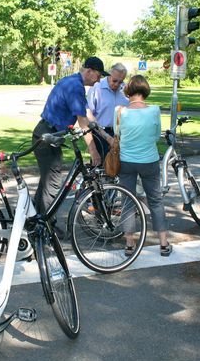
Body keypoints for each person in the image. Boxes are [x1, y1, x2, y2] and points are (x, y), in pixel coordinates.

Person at [32, 56, 106, 216]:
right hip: (48, 135)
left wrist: (106, 136)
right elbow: (83, 122)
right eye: (99, 75)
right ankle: (46, 227)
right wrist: (93, 150)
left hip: (48, 133)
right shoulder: (75, 87)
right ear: (89, 71)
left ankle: (35, 219)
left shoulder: (73, 82)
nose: (99, 80)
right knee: (52, 183)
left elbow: (87, 114)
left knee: (47, 182)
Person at [116, 75, 171, 256]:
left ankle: (130, 244)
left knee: (127, 201)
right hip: (149, 161)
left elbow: (117, 134)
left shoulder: (120, 111)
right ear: (145, 91)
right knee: (155, 200)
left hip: (126, 161)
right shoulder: (154, 110)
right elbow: (156, 136)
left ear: (129, 91)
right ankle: (163, 243)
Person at [86, 62, 129, 162]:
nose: (117, 84)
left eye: (120, 81)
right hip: (101, 133)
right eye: (114, 81)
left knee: (120, 169)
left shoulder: (125, 89)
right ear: (109, 75)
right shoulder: (97, 87)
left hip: (120, 135)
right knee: (99, 167)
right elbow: (88, 115)